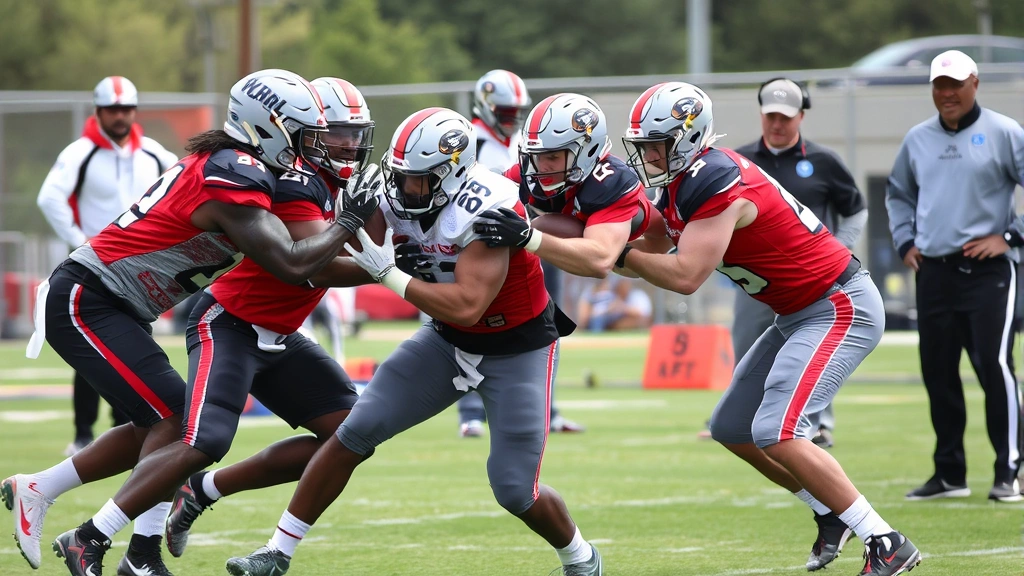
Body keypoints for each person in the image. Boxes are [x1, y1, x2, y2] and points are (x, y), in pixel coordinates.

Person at [2, 69, 379, 576]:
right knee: (180, 423)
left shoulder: (242, 164)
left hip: (116, 301)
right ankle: (109, 545)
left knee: (164, 419)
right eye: (302, 130)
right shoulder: (236, 171)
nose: (311, 143)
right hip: (88, 297)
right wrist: (352, 225)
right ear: (268, 126)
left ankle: (44, 490)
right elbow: (293, 263)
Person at [226, 108, 601, 576]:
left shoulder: (488, 206)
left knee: (513, 490)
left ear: (452, 174)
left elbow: (467, 304)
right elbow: (345, 257)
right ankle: (276, 553)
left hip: (517, 348)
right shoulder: (393, 192)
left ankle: (580, 557)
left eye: (418, 181)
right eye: (400, 177)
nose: (405, 190)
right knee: (352, 434)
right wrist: (343, 231)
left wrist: (388, 274)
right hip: (444, 342)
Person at [617, 81, 919, 575]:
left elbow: (685, 275)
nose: (648, 154)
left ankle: (885, 540)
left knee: (776, 429)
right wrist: (597, 245)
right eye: (645, 144)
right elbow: (644, 253)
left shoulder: (714, 179)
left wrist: (617, 253)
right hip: (798, 311)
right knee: (732, 428)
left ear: (688, 139)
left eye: (657, 144)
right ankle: (829, 510)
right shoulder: (681, 182)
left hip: (838, 304)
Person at [136, 77, 384, 562]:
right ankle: (106, 534)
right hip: (231, 322)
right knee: (201, 439)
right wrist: (396, 271)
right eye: (337, 132)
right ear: (304, 130)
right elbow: (316, 269)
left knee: (350, 436)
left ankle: (203, 491)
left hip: (281, 335)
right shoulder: (295, 179)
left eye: (356, 133)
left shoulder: (336, 177)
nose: (350, 144)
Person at [473, 93, 661, 432]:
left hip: (649, 255)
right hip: (590, 247)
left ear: (586, 150)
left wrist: (527, 235)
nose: (542, 166)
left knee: (541, 229)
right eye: (537, 156)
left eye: (553, 156)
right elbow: (485, 196)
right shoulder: (533, 172)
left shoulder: (611, 179)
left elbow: (601, 259)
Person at [886, 50, 1024, 503]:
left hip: (988, 274)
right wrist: (905, 242)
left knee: (994, 365)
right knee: (938, 372)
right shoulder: (918, 139)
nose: (947, 94)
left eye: (956, 85)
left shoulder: (1004, 132)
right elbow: (899, 194)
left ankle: (1010, 470)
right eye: (939, 86)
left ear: (975, 84)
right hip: (934, 272)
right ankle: (949, 474)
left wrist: (1009, 235)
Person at [710, 78, 868, 448]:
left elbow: (855, 210)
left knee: (814, 347)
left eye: (785, 117)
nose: (777, 124)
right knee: (748, 343)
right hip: (755, 280)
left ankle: (817, 422)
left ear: (801, 116)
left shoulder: (824, 161)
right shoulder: (738, 161)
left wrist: (839, 250)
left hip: (812, 280)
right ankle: (744, 416)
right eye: (770, 116)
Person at [36, 75, 178, 456]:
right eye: (113, 109)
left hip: (139, 270)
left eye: (126, 109)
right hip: (93, 268)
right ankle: (84, 433)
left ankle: (128, 428)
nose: (120, 116)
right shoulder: (80, 152)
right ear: (98, 111)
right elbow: (50, 198)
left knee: (131, 346)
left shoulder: (152, 152)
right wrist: (79, 239)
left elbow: (181, 186)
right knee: (90, 352)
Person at [456, 69, 534, 437]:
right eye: (506, 113)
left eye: (516, 113)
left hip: (523, 242)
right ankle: (470, 411)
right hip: (474, 245)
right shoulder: (468, 142)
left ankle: (543, 410)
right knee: (462, 322)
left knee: (535, 325)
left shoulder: (522, 139)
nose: (512, 120)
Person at [576, 276, 652, 332]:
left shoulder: (636, 295)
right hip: (597, 318)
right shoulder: (590, 295)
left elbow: (643, 315)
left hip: (610, 317)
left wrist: (619, 308)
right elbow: (583, 317)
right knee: (597, 320)